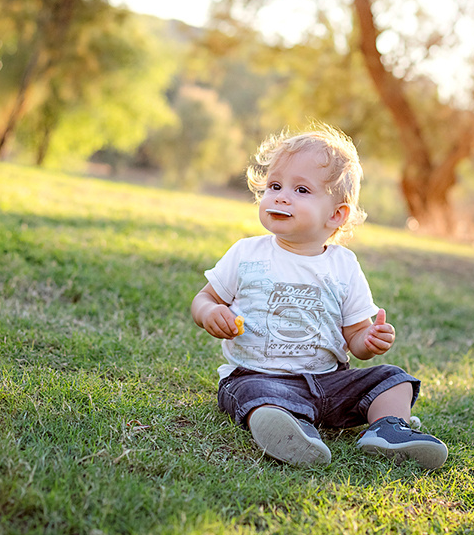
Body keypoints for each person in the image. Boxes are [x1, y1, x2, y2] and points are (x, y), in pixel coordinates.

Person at [191, 124, 447, 469]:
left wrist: (368, 340)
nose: (281, 196)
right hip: (260, 375)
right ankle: (290, 431)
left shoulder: (343, 265)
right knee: (255, 396)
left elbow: (355, 337)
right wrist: (209, 313)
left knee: (393, 378)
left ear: (336, 214)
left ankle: (388, 430)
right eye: (275, 186)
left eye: (301, 189)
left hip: (329, 382)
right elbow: (204, 299)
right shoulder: (246, 253)